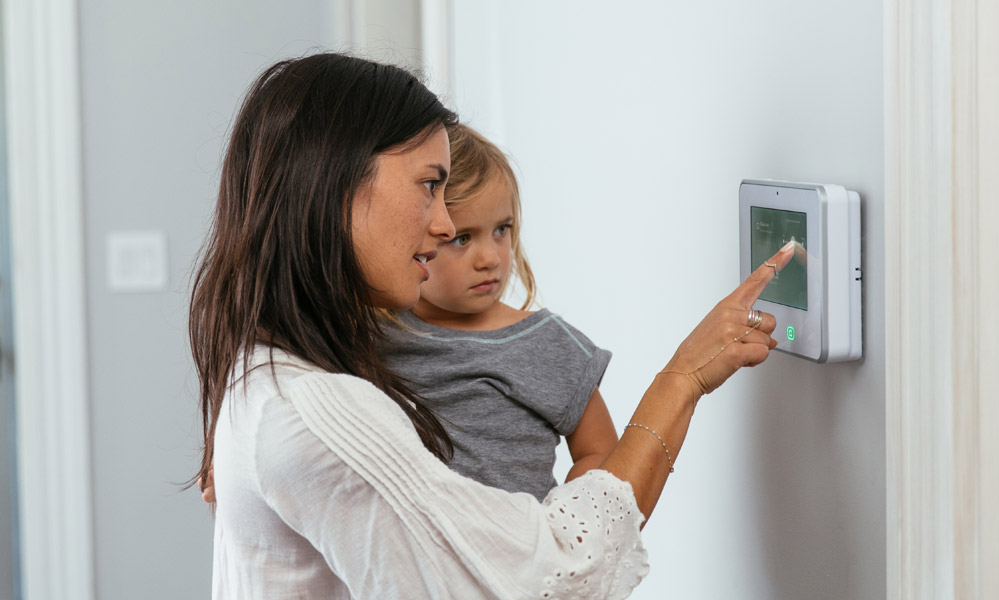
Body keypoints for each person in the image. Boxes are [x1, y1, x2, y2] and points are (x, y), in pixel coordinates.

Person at [190, 52, 792, 599]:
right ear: (335, 179)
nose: (444, 225)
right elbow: (553, 578)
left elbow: (592, 457)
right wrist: (681, 379)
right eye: (429, 185)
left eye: (496, 227)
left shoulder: (269, 365)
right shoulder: (316, 414)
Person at [379, 123, 618, 502]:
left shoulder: (547, 342)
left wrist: (558, 530)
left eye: (501, 230)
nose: (490, 258)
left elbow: (601, 452)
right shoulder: (372, 330)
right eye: (462, 238)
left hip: (521, 552)